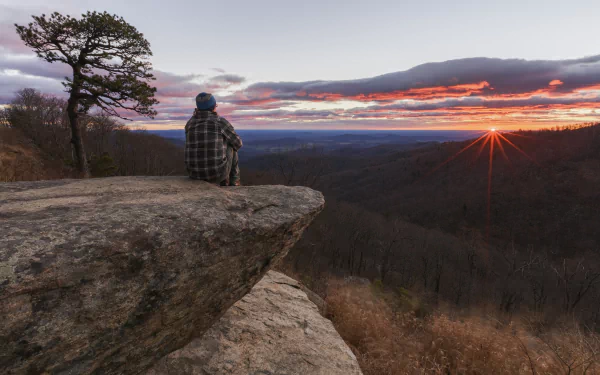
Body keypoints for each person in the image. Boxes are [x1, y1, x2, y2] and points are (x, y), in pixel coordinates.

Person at [185, 92, 243, 186]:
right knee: (231, 145)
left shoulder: (190, 123)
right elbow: (238, 143)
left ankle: (227, 181)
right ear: (213, 107)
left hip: (193, 173)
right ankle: (234, 183)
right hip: (217, 175)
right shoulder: (220, 121)